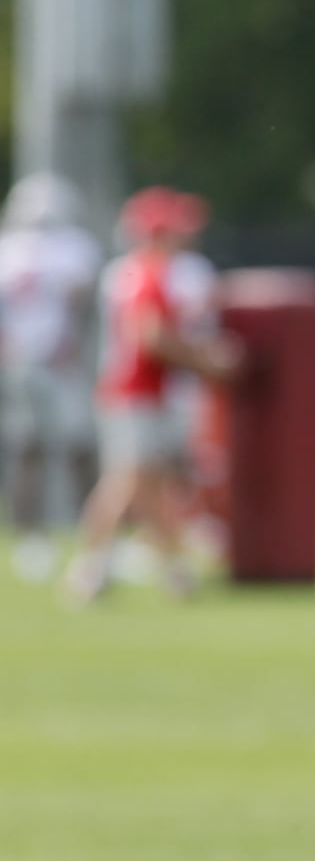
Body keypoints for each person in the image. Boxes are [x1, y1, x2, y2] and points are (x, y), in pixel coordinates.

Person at [64, 186, 240, 602]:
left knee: (148, 485)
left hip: (140, 393)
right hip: (135, 394)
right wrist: (209, 363)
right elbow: (154, 337)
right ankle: (91, 569)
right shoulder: (147, 273)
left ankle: (169, 571)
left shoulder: (134, 272)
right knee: (127, 482)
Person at [0, 172, 102, 580]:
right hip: (25, 360)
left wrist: (70, 346)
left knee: (79, 447)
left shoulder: (73, 249)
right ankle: (31, 536)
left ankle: (93, 534)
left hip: (60, 361)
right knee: (29, 446)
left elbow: (82, 307)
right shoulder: (10, 249)